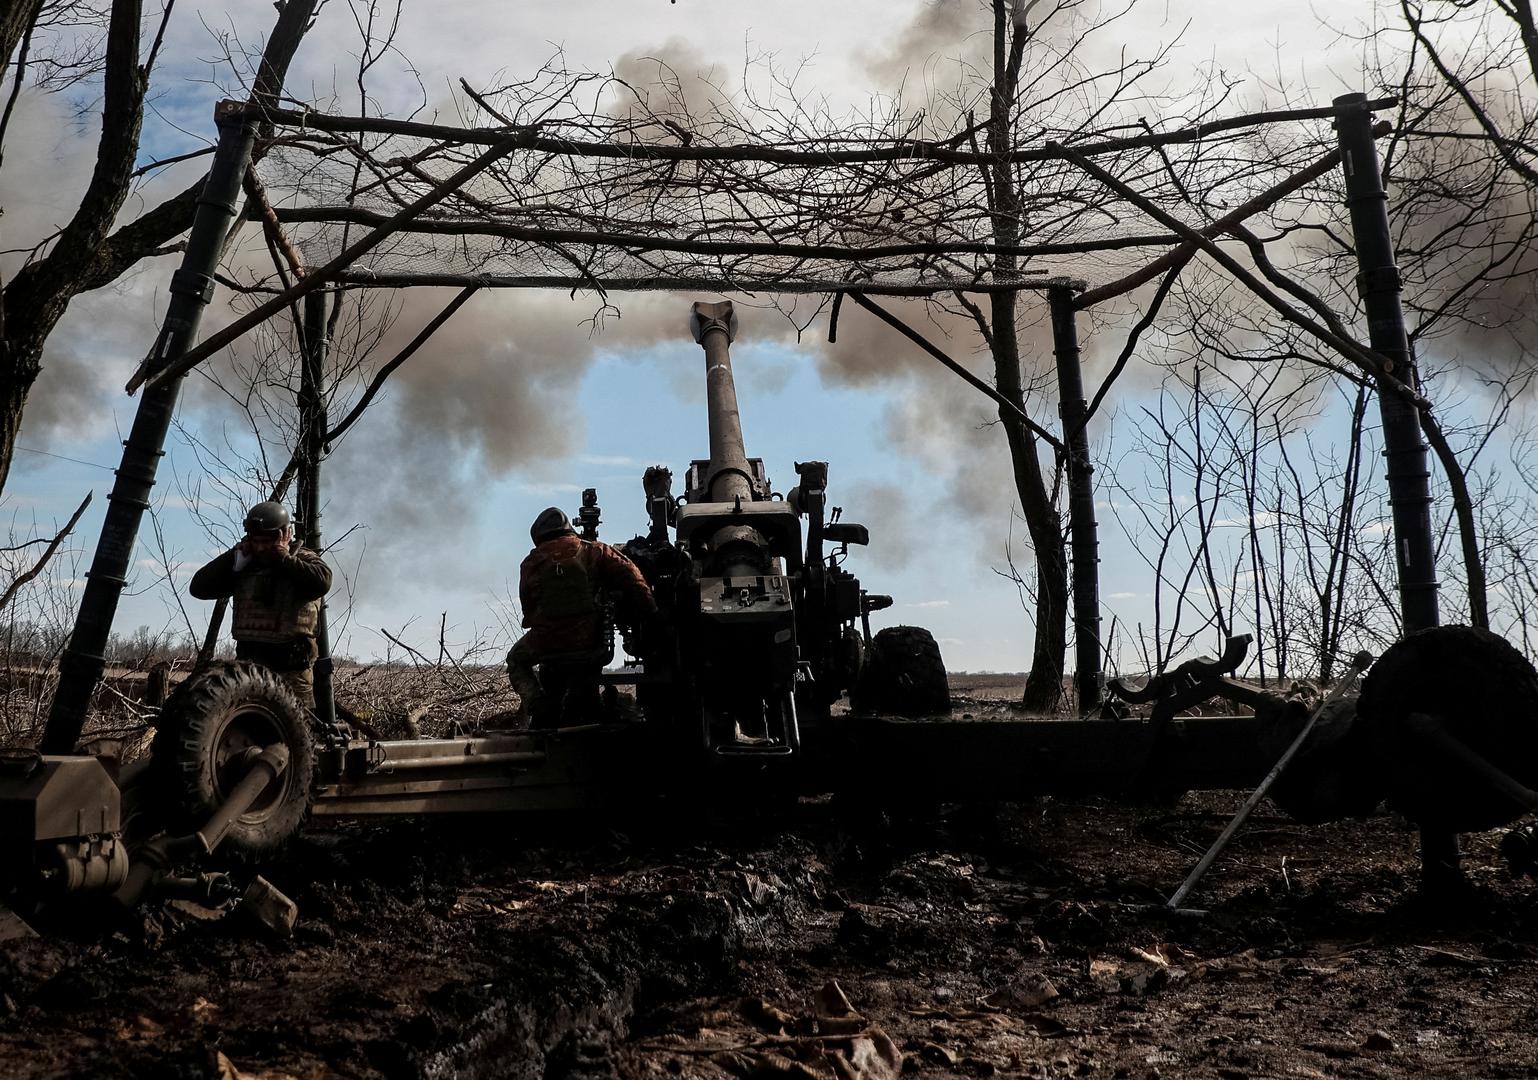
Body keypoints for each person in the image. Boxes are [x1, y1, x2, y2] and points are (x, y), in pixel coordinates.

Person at [507, 506, 657, 728]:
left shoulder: (530, 562)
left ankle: (538, 705)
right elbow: (633, 577)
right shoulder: (595, 551)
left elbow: (528, 609)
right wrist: (651, 613)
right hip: (589, 638)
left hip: (546, 641)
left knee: (516, 660)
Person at [190, 500, 332, 706]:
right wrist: (233, 558)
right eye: (255, 541)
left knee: (299, 728)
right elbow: (199, 587)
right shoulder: (245, 564)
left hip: (291, 668)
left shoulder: (302, 560)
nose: (260, 548)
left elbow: (322, 581)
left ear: (285, 534)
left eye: (267, 541)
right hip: (249, 666)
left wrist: (284, 558)